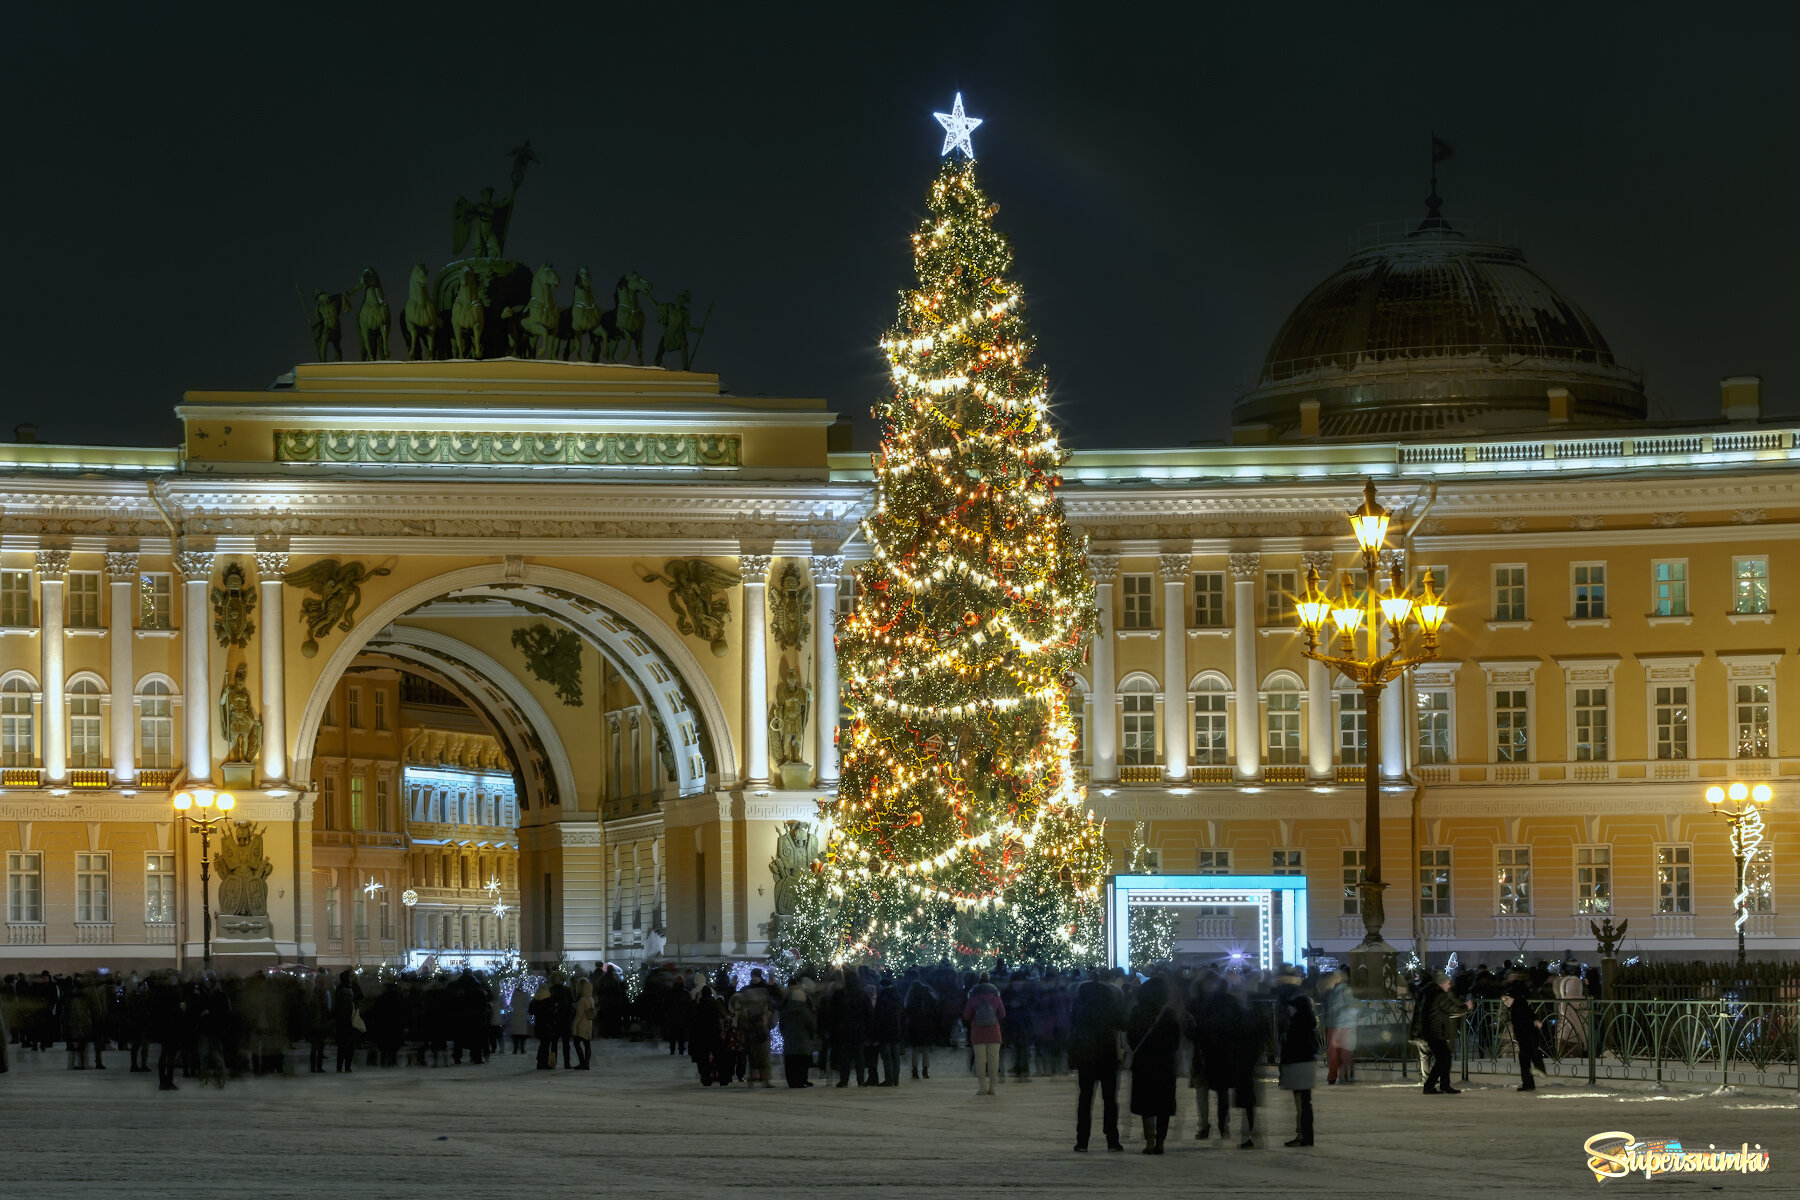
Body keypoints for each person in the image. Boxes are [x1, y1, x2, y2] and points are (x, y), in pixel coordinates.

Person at [1069, 968, 1127, 1152]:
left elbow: (1073, 1028)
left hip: (1086, 1056)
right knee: (1110, 1099)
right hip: (1107, 1055)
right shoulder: (1110, 1006)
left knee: (1085, 1099)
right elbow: (1123, 1024)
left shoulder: (1080, 1006)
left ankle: (1082, 1140)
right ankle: (1112, 1138)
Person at [1126, 976, 1181, 1155]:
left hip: (1143, 1062)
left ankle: (1149, 1140)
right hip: (1165, 1063)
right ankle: (1160, 1142)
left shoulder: (1137, 1011)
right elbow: (1176, 1039)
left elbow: (1131, 1035)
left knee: (1146, 1104)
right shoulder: (1169, 1013)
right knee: (1162, 1105)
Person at [1277, 982, 1319, 1147]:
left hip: (1298, 1066)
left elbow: (1291, 1050)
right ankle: (1305, 1135)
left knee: (1301, 1103)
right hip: (1306, 1064)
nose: (1289, 1010)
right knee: (1305, 1102)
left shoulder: (1296, 1027)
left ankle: (1303, 1135)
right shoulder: (1308, 1024)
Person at [1423, 970, 1471, 1095]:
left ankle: (1443, 1085)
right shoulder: (1440, 995)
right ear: (1442, 983)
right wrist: (1466, 1007)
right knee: (1443, 1059)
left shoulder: (1432, 994)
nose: (1450, 986)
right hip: (1436, 1032)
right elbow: (1451, 1008)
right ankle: (1430, 1085)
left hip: (1433, 1031)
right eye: (1448, 983)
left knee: (1445, 1058)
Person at [963, 972, 1006, 1097]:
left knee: (980, 1061)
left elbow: (966, 1015)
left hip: (978, 1033)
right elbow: (1002, 1014)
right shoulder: (996, 996)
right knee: (993, 1060)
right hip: (994, 1032)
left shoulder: (973, 997)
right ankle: (993, 1087)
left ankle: (982, 1087)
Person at [730, 969, 776, 1087]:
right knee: (753, 1054)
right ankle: (754, 1077)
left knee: (763, 1054)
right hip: (752, 1026)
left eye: (756, 976)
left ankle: (764, 1078)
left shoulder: (766, 989)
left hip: (761, 1025)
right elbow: (736, 1000)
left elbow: (776, 997)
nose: (754, 978)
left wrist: (773, 985)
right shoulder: (747, 990)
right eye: (753, 976)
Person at [1501, 968, 1544, 1090]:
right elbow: (1530, 1015)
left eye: (1506, 1000)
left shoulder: (1518, 1006)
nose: (1505, 1003)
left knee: (1525, 1060)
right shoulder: (1520, 1003)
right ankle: (1529, 1082)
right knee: (1527, 1059)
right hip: (1527, 1036)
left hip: (1526, 1036)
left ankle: (1529, 1083)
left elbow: (1523, 1021)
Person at [1318, 970, 1357, 1084]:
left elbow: (1339, 1006)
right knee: (1340, 1051)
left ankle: (1337, 1075)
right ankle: (1340, 1075)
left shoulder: (1339, 991)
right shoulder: (1336, 990)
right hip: (1340, 1024)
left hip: (1339, 1024)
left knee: (1337, 1052)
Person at [777, 983, 818, 1089]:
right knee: (801, 1062)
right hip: (803, 1041)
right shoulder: (806, 1012)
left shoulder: (786, 1011)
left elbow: (781, 1025)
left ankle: (791, 1081)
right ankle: (800, 1081)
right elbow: (812, 1025)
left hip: (789, 1041)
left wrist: (785, 1034)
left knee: (790, 1063)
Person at [902, 969, 939, 1080]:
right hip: (926, 1024)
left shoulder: (911, 998)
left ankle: (914, 1070)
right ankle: (925, 1070)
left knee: (915, 1049)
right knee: (925, 1049)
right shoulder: (928, 995)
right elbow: (934, 1008)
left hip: (915, 1025)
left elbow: (907, 1010)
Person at [871, 978, 904, 1087]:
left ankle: (888, 1078)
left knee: (887, 1057)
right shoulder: (897, 997)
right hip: (896, 1030)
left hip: (884, 1031)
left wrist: (876, 1035)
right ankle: (896, 1079)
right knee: (895, 1056)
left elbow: (878, 1016)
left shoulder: (882, 997)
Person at [572, 978, 595, 1070]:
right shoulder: (591, 999)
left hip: (581, 1025)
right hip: (589, 1024)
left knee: (577, 1043)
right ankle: (586, 1063)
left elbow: (579, 1015)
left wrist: (574, 1026)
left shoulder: (582, 1000)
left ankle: (582, 1062)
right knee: (587, 1044)